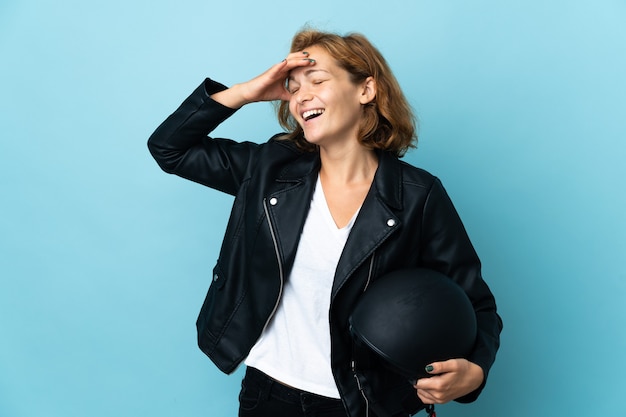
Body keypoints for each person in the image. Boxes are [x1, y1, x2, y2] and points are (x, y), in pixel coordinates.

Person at [148, 28, 502, 417]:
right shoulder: (270, 168)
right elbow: (169, 147)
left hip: (362, 403)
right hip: (266, 393)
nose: (301, 96)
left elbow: (475, 302)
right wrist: (246, 92)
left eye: (317, 80)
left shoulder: (417, 195)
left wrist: (476, 372)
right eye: (293, 87)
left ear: (366, 90)